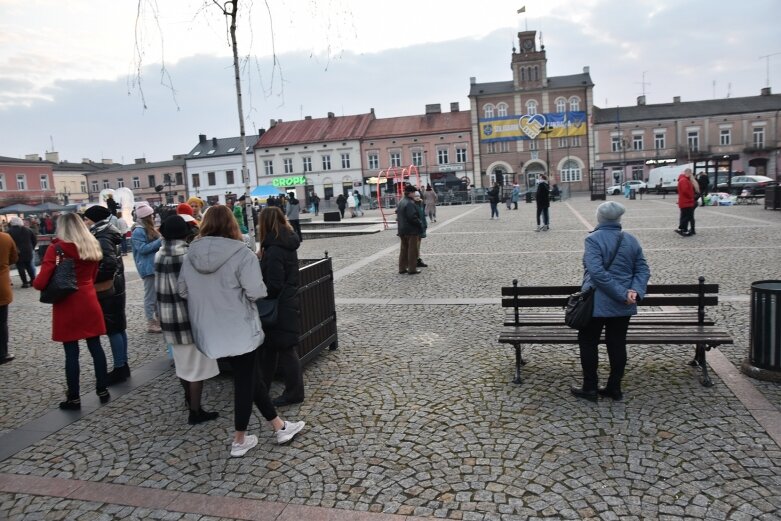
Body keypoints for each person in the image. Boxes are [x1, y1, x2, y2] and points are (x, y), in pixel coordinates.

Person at [178, 205, 305, 457]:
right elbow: (257, 292)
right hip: (238, 328)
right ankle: (239, 439)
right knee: (245, 381)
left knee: (250, 378)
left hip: (210, 329)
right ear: (231, 225)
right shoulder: (242, 254)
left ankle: (279, 426)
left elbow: (183, 290)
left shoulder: (190, 255)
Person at [570, 202, 650, 402]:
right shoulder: (631, 240)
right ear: (618, 219)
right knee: (617, 344)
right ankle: (614, 387)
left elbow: (597, 273)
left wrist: (624, 293)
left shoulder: (593, 240)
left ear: (600, 218)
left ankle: (590, 387)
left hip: (595, 304)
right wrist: (634, 292)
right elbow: (643, 269)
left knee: (588, 342)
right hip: (623, 306)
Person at [33, 213, 110, 410]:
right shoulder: (91, 245)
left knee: (71, 352)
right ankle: (102, 389)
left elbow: (40, 282)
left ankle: (74, 397)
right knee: (96, 346)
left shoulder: (57, 248)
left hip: (67, 303)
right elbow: (92, 276)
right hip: (89, 299)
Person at [155, 215, 219, 425]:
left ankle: (189, 401)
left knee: (183, 365)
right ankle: (195, 411)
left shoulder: (159, 254)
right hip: (189, 318)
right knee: (197, 368)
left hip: (168, 317)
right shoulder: (188, 256)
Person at [257, 207, 305, 407]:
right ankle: (263, 389)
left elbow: (274, 283)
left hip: (280, 304)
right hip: (287, 300)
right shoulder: (285, 241)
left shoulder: (275, 248)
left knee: (285, 349)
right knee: (273, 349)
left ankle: (294, 392)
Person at [83, 205, 130, 385]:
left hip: (110, 288)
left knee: (113, 328)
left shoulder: (101, 235)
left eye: (86, 219)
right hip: (117, 285)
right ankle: (122, 364)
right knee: (118, 326)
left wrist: (93, 278)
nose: (85, 223)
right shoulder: (109, 231)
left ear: (93, 219)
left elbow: (108, 263)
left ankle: (119, 367)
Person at [131, 204, 163, 332]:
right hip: (147, 267)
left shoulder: (147, 229)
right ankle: (151, 322)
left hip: (153, 266)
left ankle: (159, 320)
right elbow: (142, 249)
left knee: (157, 296)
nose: (154, 217)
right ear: (146, 217)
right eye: (151, 215)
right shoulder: (138, 231)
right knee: (150, 297)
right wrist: (159, 241)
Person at [396, 185, 423, 275]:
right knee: (412, 250)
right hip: (411, 230)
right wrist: (420, 223)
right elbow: (412, 217)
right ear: (410, 193)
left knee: (404, 249)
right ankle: (412, 269)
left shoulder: (401, 202)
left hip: (402, 230)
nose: (415, 194)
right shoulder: (410, 203)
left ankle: (402, 268)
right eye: (414, 192)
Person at [0, 230, 18, 364]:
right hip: (1, 286)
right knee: (1, 322)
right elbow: (14, 258)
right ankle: (2, 353)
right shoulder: (5, 238)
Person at [7, 217, 36, 288]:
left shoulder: (9, 231)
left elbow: (8, 243)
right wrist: (32, 247)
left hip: (17, 251)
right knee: (29, 266)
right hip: (28, 251)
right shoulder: (28, 230)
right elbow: (34, 240)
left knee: (20, 267)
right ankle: (33, 281)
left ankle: (25, 283)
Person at [676, 168, 698, 236]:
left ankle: (684, 229)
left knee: (686, 216)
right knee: (687, 216)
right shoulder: (684, 180)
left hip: (686, 201)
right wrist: (691, 196)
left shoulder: (684, 180)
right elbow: (685, 191)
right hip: (687, 202)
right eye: (690, 173)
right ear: (688, 173)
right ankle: (683, 229)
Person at [414, 191, 428, 268]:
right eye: (416, 196)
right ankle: (415, 260)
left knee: (418, 245)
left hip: (421, 226)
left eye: (418, 196)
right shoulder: (412, 204)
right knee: (415, 245)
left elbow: (422, 215)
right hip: (416, 227)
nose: (417, 197)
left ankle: (418, 259)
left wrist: (425, 225)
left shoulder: (420, 204)